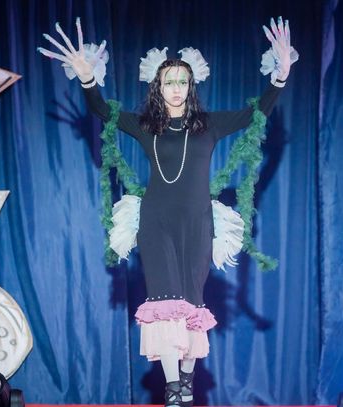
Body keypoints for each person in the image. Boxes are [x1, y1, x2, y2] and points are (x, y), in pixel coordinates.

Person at [39, 16, 295, 407]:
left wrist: (281, 73)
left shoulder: (210, 125)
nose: (175, 88)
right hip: (156, 223)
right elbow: (102, 111)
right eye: (168, 82)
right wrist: (87, 78)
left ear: (191, 86)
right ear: (158, 87)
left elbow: (257, 111)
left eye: (182, 82)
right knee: (165, 299)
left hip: (198, 224)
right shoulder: (146, 126)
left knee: (191, 301)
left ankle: (186, 384)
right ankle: (173, 391)